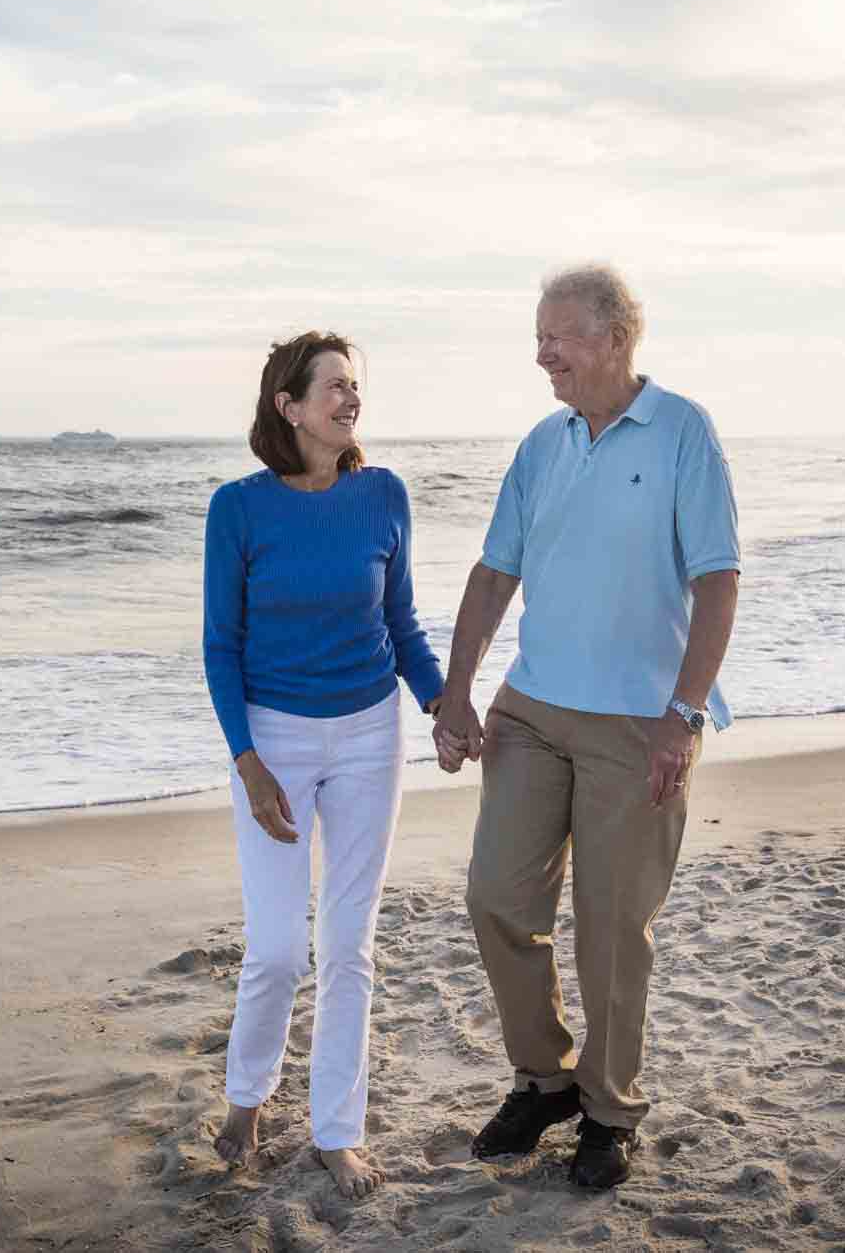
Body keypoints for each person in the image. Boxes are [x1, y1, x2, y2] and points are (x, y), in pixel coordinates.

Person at [432, 263, 740, 1190]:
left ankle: (608, 1109)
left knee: (612, 927)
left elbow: (718, 581)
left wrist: (682, 717)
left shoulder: (683, 431)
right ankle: (543, 1078)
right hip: (532, 709)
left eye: (557, 335)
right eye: (538, 335)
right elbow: (495, 575)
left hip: (639, 720)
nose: (542, 353)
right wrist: (457, 690)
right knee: (496, 897)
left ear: (615, 336)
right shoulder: (543, 442)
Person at [201, 330, 447, 1200]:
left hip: (371, 734)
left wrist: (441, 704)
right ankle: (247, 1096)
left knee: (349, 945)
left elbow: (404, 622)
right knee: (275, 949)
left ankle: (337, 1131)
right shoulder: (239, 508)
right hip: (274, 739)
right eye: (334, 387)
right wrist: (248, 761)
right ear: (289, 405)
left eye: (355, 387)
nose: (350, 399)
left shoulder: (384, 496)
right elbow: (220, 648)